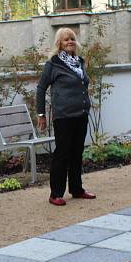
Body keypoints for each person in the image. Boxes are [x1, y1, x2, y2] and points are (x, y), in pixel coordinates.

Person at [36, 27, 96, 206]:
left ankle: (76, 189)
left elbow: (83, 83)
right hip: (64, 116)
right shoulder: (53, 64)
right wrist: (41, 114)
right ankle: (55, 193)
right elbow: (41, 89)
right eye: (65, 40)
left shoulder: (79, 62)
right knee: (62, 154)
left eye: (72, 38)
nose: (69, 41)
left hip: (81, 114)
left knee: (77, 152)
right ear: (59, 44)